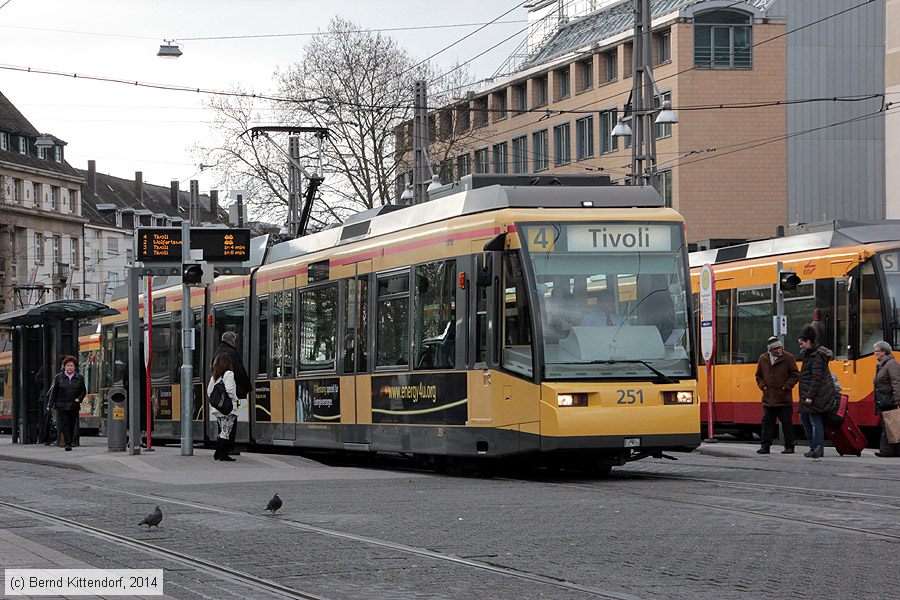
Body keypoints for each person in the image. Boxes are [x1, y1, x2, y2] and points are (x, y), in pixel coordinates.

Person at [754, 336, 800, 454]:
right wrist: (763, 386)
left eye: (780, 348)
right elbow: (758, 376)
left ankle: (789, 446)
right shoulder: (763, 358)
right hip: (768, 398)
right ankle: (765, 446)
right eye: (776, 348)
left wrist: (787, 386)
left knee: (787, 424)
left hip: (784, 398)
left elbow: (795, 375)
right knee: (767, 423)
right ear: (770, 350)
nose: (779, 350)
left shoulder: (788, 357)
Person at [797, 324, 835, 459]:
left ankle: (817, 448)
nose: (800, 346)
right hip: (810, 393)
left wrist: (810, 396)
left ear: (808, 341)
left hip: (816, 395)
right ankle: (814, 447)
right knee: (805, 418)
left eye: (802, 343)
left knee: (814, 420)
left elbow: (816, 377)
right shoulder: (810, 354)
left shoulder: (816, 356)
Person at [215, 331, 250, 455]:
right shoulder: (232, 355)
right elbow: (240, 372)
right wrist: (246, 388)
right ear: (233, 341)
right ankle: (228, 448)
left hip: (219, 398)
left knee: (222, 424)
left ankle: (220, 450)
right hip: (230, 397)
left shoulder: (217, 352)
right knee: (230, 423)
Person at [47, 355, 86, 451]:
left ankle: (70, 440)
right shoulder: (58, 377)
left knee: (72, 424)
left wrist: (79, 399)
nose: (69, 367)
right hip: (62, 405)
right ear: (64, 367)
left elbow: (83, 391)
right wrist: (50, 404)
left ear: (75, 367)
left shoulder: (79, 378)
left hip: (73, 405)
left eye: (71, 366)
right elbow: (54, 392)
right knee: (65, 424)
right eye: (68, 365)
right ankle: (67, 443)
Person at [208, 352, 240, 462]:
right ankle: (222, 454)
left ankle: (218, 453)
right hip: (228, 408)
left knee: (223, 430)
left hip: (218, 409)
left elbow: (209, 392)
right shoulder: (229, 374)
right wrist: (235, 399)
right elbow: (230, 389)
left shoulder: (215, 376)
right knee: (226, 431)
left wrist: (218, 402)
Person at [872, 340, 900, 457]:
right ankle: (892, 451)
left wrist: (897, 399)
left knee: (889, 424)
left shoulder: (891, 364)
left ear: (884, 352)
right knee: (889, 425)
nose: (875, 353)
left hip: (889, 399)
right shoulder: (882, 365)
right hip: (884, 399)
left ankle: (886, 451)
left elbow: (896, 382)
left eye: (877, 351)